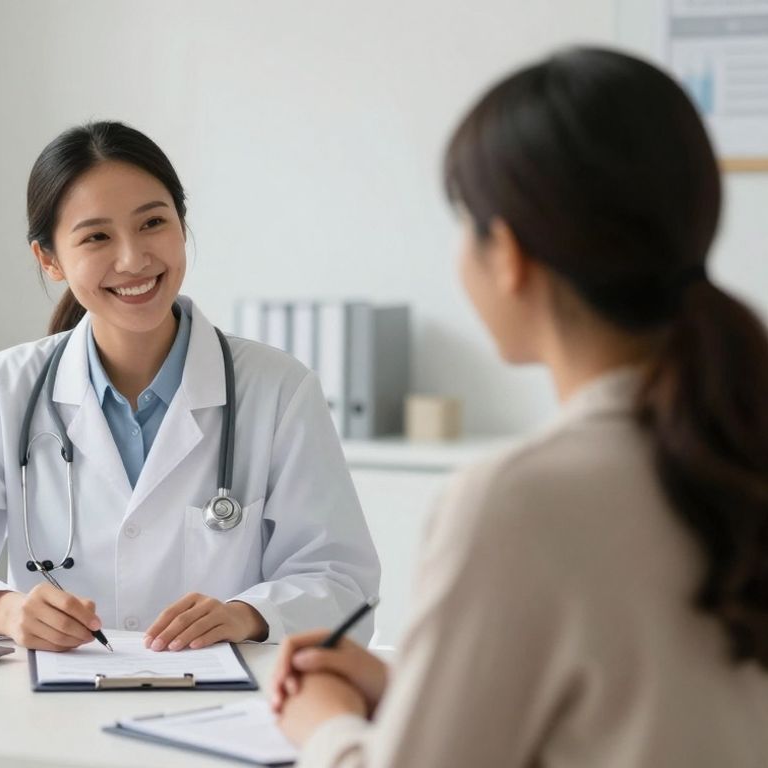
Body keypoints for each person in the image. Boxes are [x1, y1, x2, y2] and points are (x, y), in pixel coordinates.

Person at [272, 47, 768, 766]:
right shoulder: (738, 437)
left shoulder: (517, 501)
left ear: (505, 252)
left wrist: (325, 726)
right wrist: (410, 685)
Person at [0, 121, 379, 652]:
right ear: (49, 259)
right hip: (50, 707)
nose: (132, 259)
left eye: (153, 223)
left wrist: (248, 616)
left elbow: (342, 581)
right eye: (97, 236)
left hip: (223, 705)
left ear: (181, 225)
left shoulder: (279, 390)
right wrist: (6, 610)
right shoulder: (5, 389)